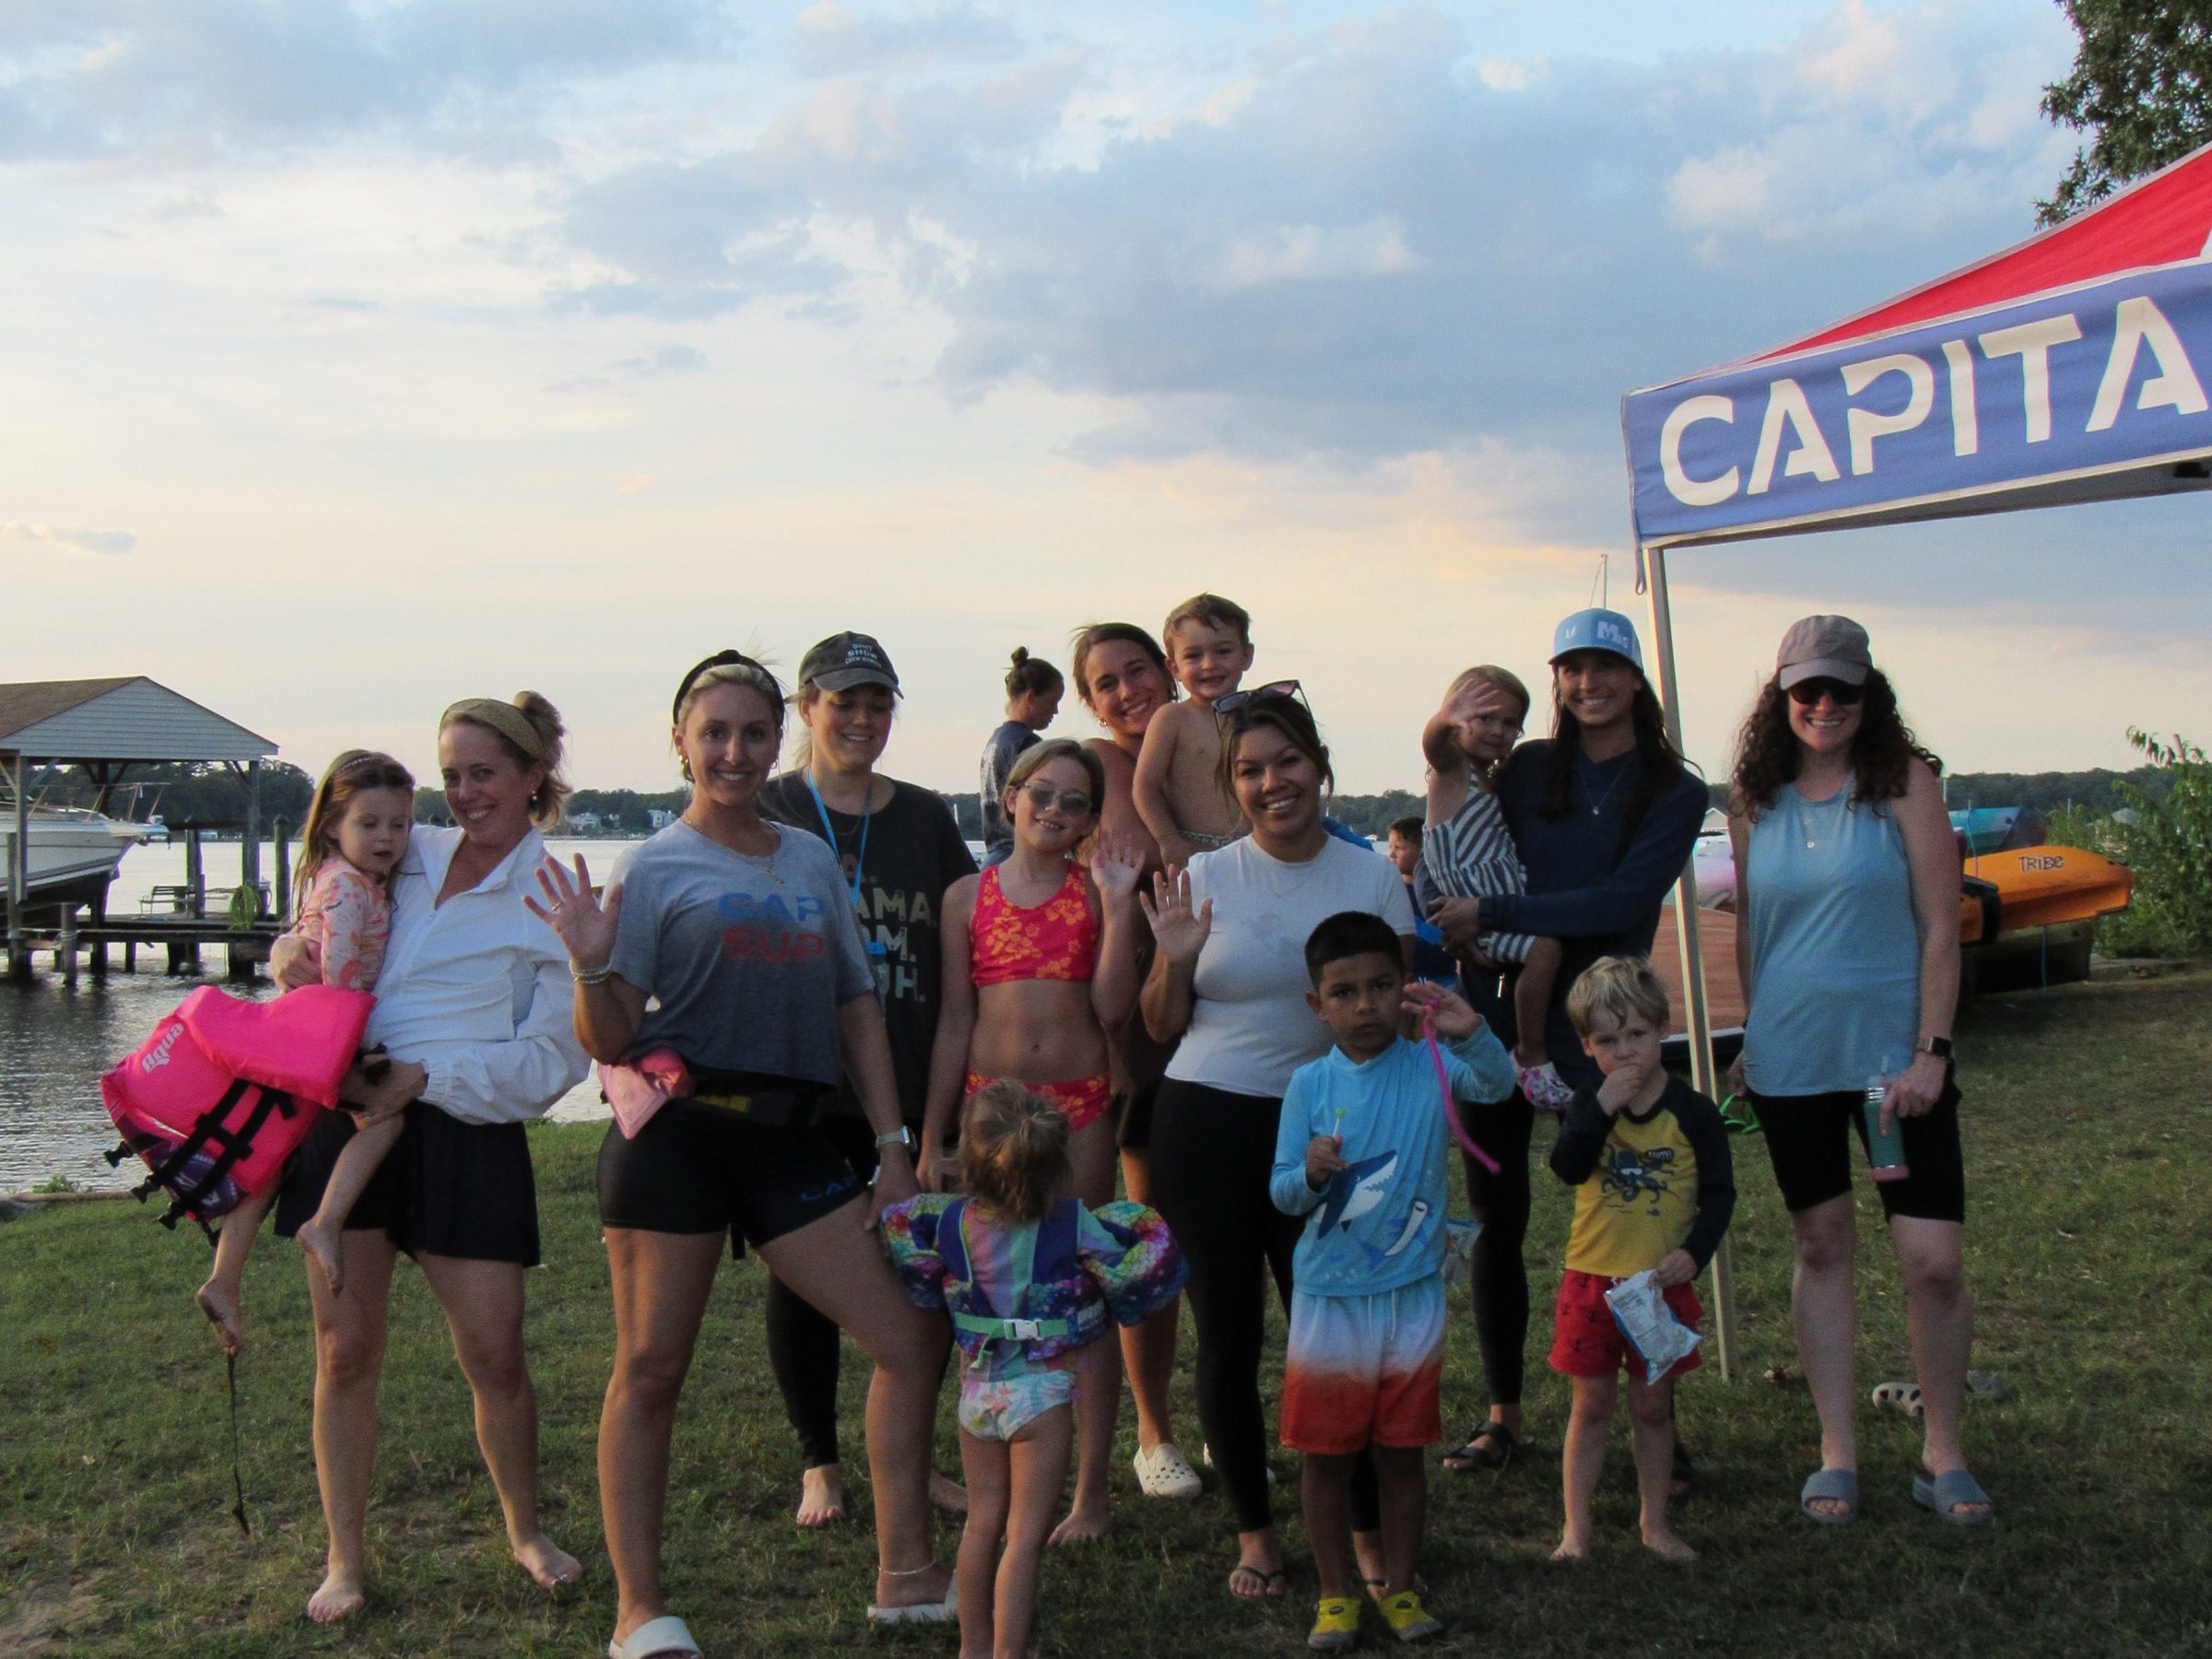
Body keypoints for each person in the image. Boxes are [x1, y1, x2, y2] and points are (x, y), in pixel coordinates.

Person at [531, 652, 955, 1659]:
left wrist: (893, 1148)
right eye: (713, 732)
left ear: (780, 741)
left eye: (753, 733)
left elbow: (857, 1003)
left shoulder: (806, 856)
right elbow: (608, 1035)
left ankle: (906, 1574)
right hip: (676, 1139)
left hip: (793, 1136)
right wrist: (592, 961)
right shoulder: (656, 868)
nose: (733, 751)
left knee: (909, 1339)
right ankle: (640, 1611)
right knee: (651, 1366)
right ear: (680, 740)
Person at [268, 692, 588, 1623]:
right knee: (345, 1350)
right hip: (346, 1108)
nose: (464, 793)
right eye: (452, 775)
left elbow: (550, 1061)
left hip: (463, 1132)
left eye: (484, 773)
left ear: (533, 778)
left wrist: (427, 1077)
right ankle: (344, 1559)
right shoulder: (406, 850)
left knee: (494, 1354)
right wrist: (287, 954)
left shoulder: (553, 895)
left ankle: (525, 1528)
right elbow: (325, 923)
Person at [1139, 688, 1416, 1600]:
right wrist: (1175, 957)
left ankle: (1368, 1532)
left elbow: (1395, 1018)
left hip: (1330, 1133)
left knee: (1335, 1333)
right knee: (1228, 1331)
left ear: (1318, 763)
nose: (1271, 783)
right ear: (1231, 785)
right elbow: (1159, 1023)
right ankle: (1257, 1533)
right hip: (1208, 1120)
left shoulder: (1370, 875)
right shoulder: (1207, 875)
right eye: (1249, 771)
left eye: (1286, 762)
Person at [1421, 609, 1706, 1477]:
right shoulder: (1531, 767)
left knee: (1633, 1225)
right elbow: (1460, 835)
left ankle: (1657, 1424)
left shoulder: (1675, 788)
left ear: (1635, 678)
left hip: (1607, 1029)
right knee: (1499, 1221)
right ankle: (1504, 1412)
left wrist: (1496, 915)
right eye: (1573, 670)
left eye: (1606, 668)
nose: (1590, 685)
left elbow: (1621, 904)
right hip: (1497, 1015)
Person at [1725, 615, 1988, 1526]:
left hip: (1895, 1069)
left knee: (1932, 1261)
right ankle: (1837, 1448)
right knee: (1821, 1245)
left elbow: (1941, 926)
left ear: (1868, 693)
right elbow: (1755, 930)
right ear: (1782, 695)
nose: (1824, 705)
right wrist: (1752, 1037)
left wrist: (1932, 1051)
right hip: (1792, 1060)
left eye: (1842, 688)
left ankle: (1943, 1448)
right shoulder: (1755, 798)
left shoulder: (1905, 783)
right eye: (1807, 690)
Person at [755, 630, 978, 1527]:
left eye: (876, 703)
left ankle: (912, 1461)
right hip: (804, 1090)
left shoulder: (925, 818)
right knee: (803, 1282)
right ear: (807, 708)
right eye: (841, 701)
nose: (859, 718)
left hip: (912, 1087)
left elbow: (972, 937)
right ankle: (821, 1462)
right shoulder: (766, 805)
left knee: (923, 1276)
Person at [1270, 912, 1515, 1648]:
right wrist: (1309, 1173)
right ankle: (1337, 1595)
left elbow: (1499, 1087)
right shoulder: (1307, 1084)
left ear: (1405, 990)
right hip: (1329, 1303)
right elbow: (1282, 1193)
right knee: (1327, 1458)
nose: (1365, 1005)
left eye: (1381, 986)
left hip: (1412, 1297)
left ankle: (1400, 1590)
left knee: (1402, 1452)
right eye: (1343, 993)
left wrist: (1471, 1028)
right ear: (1317, 1006)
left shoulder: (1431, 1063)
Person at [923, 737, 1146, 1541]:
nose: (1054, 810)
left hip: (1080, 1109)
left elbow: (1114, 1008)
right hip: (989, 1113)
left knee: (1080, 1292)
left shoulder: (1096, 892)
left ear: (1090, 819)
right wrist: (933, 1135)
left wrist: (1120, 909)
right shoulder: (965, 896)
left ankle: (1090, 1492)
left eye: (1074, 801)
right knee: (986, 1290)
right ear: (1010, 796)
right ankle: (998, 1456)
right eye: (1040, 793)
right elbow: (956, 1022)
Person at [885, 1081, 1186, 1659]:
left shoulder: (945, 1226)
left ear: (967, 1164)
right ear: (1054, 1167)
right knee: (1023, 1539)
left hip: (977, 1395)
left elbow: (909, 1252)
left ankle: (974, 1648)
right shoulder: (1072, 1224)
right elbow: (1137, 1257)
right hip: (1041, 1400)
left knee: (981, 1525)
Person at [195, 750, 415, 1354]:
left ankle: (224, 1277)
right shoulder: (348, 888)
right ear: (331, 826)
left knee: (268, 1156)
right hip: (323, 1038)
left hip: (292, 1033)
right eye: (369, 824)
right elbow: (341, 975)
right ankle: (326, 1221)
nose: (387, 838)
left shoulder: (332, 876)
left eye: (399, 825)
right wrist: (356, 1055)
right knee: (385, 1114)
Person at [1068, 620, 1199, 1500]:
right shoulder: (1103, 768)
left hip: (1224, 1019)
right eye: (1105, 683)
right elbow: (1141, 856)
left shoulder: (1208, 740)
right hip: (1139, 1036)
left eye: (1137, 671)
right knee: (1148, 1237)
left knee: (1215, 1235)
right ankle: (1152, 1432)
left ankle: (1213, 1415)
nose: (1125, 692)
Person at [1547, 957, 1734, 1562]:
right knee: (1591, 1405)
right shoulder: (1585, 1102)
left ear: (1662, 1029)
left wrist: (1693, 1253)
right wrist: (1600, 1108)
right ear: (1587, 1045)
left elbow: (1719, 1195)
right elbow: (1567, 1168)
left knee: (1654, 1408)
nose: (1624, 1051)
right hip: (1591, 1281)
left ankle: (1655, 1523)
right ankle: (1576, 1531)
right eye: (1608, 1040)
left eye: (1636, 1035)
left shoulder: (1693, 1112)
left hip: (1658, 1286)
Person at [1419, 666, 1571, 1107]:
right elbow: (1433, 746)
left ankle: (1522, 1046)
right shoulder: (1452, 773)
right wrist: (1445, 718)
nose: (1498, 731)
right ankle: (1531, 1052)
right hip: (1480, 912)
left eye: (1509, 723)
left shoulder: (1494, 779)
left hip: (1503, 905)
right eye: (1484, 718)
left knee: (1535, 960)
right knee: (1545, 950)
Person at [1132, 592, 1253, 868]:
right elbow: (1144, 787)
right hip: (1196, 854)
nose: (1209, 664)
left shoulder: (1260, 715)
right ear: (1173, 667)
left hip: (1256, 853)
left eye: (1223, 651)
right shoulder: (1172, 718)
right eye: (1194, 656)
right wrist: (1168, 840)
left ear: (1246, 655)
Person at [979, 647, 1065, 865]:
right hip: (1019, 856)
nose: (1055, 711)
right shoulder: (1028, 745)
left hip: (993, 856)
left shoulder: (995, 741)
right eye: (1052, 702)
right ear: (1030, 697)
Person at [1384, 816, 1458, 986]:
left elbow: (1445, 935)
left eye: (1399, 848)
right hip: (1409, 980)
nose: (1391, 854)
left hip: (1442, 978)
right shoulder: (1392, 890)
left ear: (1423, 850)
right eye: (1390, 847)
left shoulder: (1439, 892)